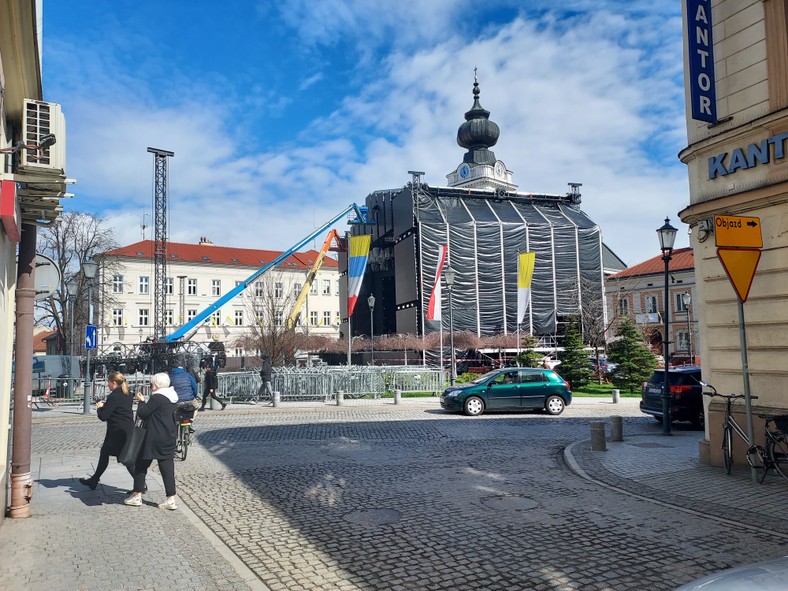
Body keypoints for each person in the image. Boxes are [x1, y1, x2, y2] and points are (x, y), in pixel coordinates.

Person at [124, 372, 179, 510]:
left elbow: (143, 413)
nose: (151, 386)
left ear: (156, 385)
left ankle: (137, 495)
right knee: (167, 468)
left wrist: (141, 401)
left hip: (154, 437)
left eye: (152, 383)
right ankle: (170, 499)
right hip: (169, 436)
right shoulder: (172, 397)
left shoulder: (157, 398)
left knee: (141, 465)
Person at [79, 371, 134, 490]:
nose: (107, 385)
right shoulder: (128, 393)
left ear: (114, 383)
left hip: (117, 433)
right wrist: (106, 406)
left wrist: (99, 408)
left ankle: (140, 484)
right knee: (110, 454)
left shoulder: (114, 396)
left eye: (108, 382)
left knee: (124, 459)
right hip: (126, 430)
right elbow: (118, 410)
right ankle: (94, 480)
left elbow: (104, 416)